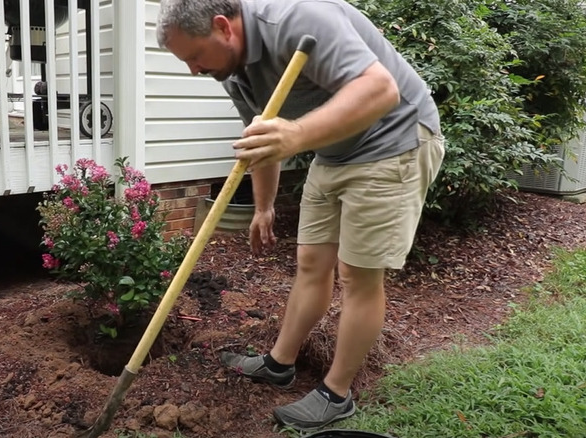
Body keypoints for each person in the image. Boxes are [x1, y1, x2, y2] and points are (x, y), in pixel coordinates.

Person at [156, 0, 445, 431]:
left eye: (195, 56)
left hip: (395, 141)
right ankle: (279, 363)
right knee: (311, 262)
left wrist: (297, 134)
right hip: (334, 151)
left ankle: (336, 394)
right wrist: (264, 206)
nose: (194, 70)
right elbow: (262, 136)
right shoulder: (231, 69)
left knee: (357, 275)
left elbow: (381, 89)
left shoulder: (299, 18)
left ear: (223, 27)